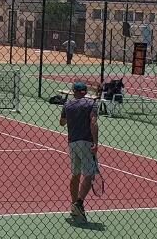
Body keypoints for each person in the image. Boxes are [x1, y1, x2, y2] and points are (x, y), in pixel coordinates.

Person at [60, 81, 99, 223]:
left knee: (75, 174)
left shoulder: (67, 105)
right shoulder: (92, 104)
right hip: (86, 142)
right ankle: (79, 202)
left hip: (72, 143)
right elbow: (93, 122)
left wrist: (71, 116)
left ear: (74, 92)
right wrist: (95, 143)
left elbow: (62, 123)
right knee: (89, 174)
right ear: (85, 92)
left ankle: (74, 206)